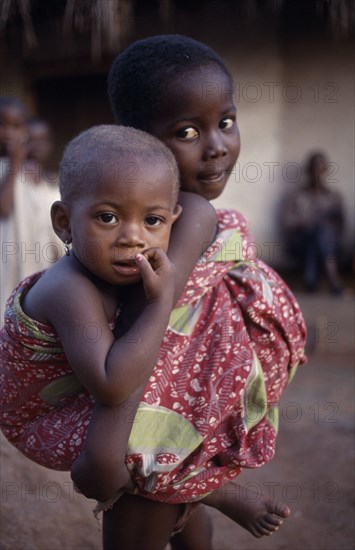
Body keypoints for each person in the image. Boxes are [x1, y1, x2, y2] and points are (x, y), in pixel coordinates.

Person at [73, 35, 306, 549]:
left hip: (175, 428)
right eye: (186, 131)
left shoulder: (174, 214)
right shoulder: (191, 216)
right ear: (142, 139)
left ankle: (211, 495)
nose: (217, 145)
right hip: (151, 432)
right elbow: (147, 332)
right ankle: (216, 495)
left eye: (225, 121)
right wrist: (107, 449)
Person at [0, 124, 219, 547]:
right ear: (64, 222)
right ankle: (222, 495)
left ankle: (196, 511)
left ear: (172, 221)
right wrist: (160, 301)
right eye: (108, 217)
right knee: (150, 423)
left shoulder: (115, 268)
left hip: (78, 395)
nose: (133, 237)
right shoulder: (69, 288)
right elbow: (112, 384)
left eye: (152, 220)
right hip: (41, 419)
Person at [0, 100, 61, 321]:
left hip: (32, 261)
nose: (8, 133)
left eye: (16, 126)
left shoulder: (38, 178)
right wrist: (15, 163)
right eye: (2, 125)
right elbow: (4, 208)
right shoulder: (8, 170)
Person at [282, 152, 345, 294]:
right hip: (300, 245)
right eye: (314, 168)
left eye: (320, 168)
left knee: (323, 233)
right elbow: (288, 224)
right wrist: (310, 225)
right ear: (308, 170)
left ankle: (310, 280)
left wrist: (322, 227)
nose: (317, 172)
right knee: (317, 233)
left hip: (329, 246)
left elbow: (341, 227)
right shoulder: (296, 196)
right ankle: (333, 280)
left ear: (325, 170)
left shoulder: (334, 197)